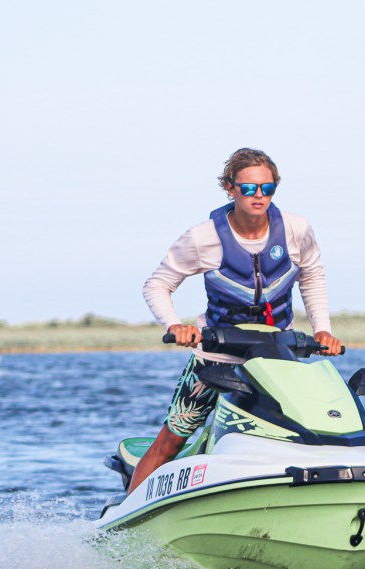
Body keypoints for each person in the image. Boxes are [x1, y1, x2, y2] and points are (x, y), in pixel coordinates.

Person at [130, 148, 342, 493]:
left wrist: (323, 330)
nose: (258, 196)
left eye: (267, 188)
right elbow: (157, 285)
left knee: (305, 431)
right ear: (230, 188)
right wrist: (175, 325)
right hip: (219, 354)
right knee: (173, 438)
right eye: (248, 188)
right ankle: (125, 518)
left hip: (278, 354)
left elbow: (312, 275)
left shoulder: (295, 229)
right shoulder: (204, 237)